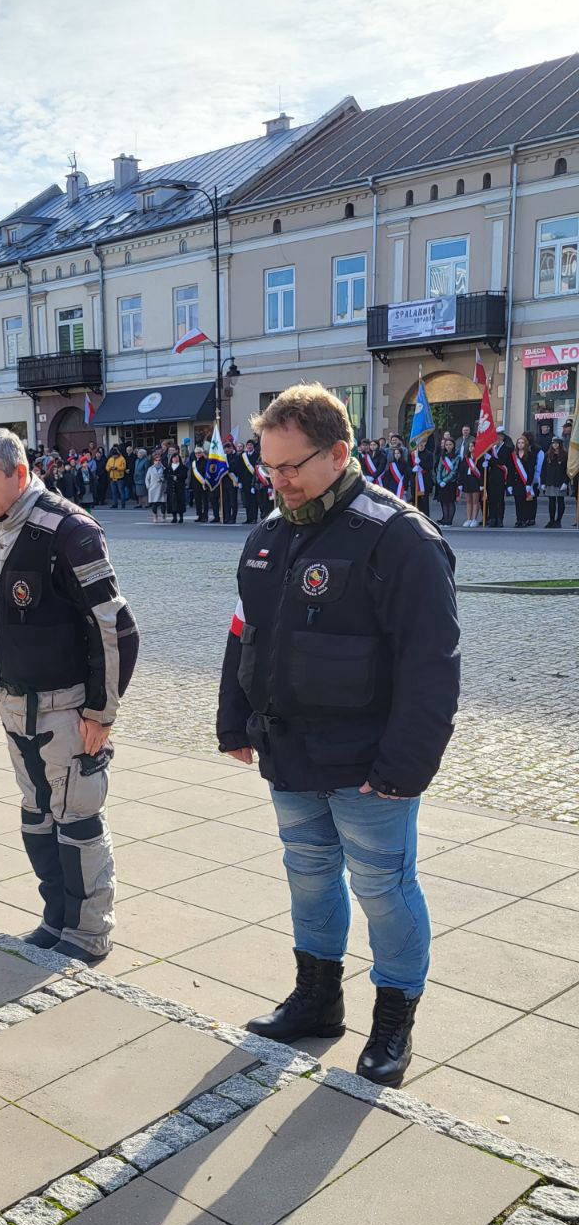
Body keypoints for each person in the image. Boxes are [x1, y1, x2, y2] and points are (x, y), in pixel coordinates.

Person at [216, 383, 460, 1086]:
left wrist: (403, 766)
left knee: (384, 888)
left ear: (340, 453)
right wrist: (233, 718)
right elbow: (244, 634)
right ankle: (317, 999)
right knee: (309, 876)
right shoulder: (267, 535)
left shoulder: (399, 536)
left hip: (367, 762)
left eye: (292, 467)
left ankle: (393, 1024)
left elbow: (432, 665)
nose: (279, 481)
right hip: (288, 750)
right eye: (268, 467)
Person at [0, 428, 139, 964]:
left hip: (68, 710)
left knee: (78, 821)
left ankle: (88, 935)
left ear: (21, 474)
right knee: (37, 816)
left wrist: (101, 711)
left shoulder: (69, 530)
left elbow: (115, 628)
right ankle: (55, 918)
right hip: (15, 705)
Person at [543, 439, 569, 528]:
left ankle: (558, 521)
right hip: (550, 481)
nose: (555, 445)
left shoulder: (565, 455)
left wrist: (566, 482)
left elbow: (567, 470)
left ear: (560, 444)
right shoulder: (547, 454)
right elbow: (544, 469)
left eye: (557, 443)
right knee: (551, 501)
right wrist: (543, 482)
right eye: (553, 443)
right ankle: (551, 520)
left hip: (560, 482)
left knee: (560, 501)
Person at [434, 435, 459, 525]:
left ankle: (449, 520)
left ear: (453, 445)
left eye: (450, 444)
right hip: (441, 483)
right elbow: (439, 469)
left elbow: (454, 471)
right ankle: (445, 519)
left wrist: (445, 480)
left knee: (450, 501)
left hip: (450, 483)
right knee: (443, 501)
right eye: (447, 444)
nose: (448, 446)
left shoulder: (457, 456)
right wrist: (439, 480)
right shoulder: (443, 456)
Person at [459, 439, 483, 526]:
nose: (471, 448)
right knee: (468, 501)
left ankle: (474, 519)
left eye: (472, 446)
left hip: (476, 481)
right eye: (469, 446)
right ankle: (468, 519)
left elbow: (482, 472)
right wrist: (460, 483)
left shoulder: (480, 457)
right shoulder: (466, 458)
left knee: (475, 501)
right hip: (467, 481)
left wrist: (481, 484)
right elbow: (461, 471)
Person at [145, 451, 166, 522]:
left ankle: (163, 516)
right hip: (153, 488)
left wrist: (163, 479)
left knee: (163, 503)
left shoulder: (164, 468)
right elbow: (147, 479)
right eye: (156, 460)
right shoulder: (150, 469)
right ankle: (155, 516)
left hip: (161, 488)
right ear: (154, 461)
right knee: (154, 504)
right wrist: (148, 487)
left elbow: (166, 477)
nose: (158, 461)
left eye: (159, 460)